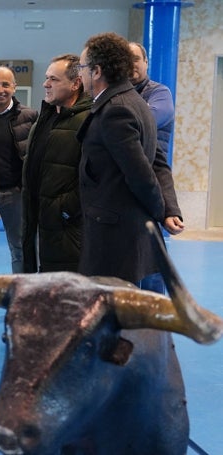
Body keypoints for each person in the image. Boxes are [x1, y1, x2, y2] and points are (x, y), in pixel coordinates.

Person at [76, 32, 166, 284]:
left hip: (115, 238)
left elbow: (141, 174)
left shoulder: (116, 110)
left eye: (81, 68)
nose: (79, 74)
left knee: (115, 316)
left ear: (96, 71)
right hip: (120, 230)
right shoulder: (133, 101)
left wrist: (158, 212)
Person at [22, 54, 92, 273]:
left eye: (54, 79)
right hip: (40, 226)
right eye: (46, 78)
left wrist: (65, 210)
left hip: (69, 232)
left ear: (75, 83)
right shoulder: (46, 119)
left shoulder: (89, 120)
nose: (45, 84)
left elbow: (94, 176)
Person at [129, 41, 185, 293]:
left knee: (153, 259)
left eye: (136, 58)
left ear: (146, 62)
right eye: (125, 59)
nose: (131, 64)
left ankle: (152, 321)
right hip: (125, 187)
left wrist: (115, 116)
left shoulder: (159, 93)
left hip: (154, 185)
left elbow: (145, 122)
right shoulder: (117, 95)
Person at [0, 66, 38, 273]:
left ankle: (21, 295)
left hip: (16, 194)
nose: (0, 89)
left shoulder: (30, 117)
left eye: (5, 84)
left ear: (15, 87)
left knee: (20, 248)